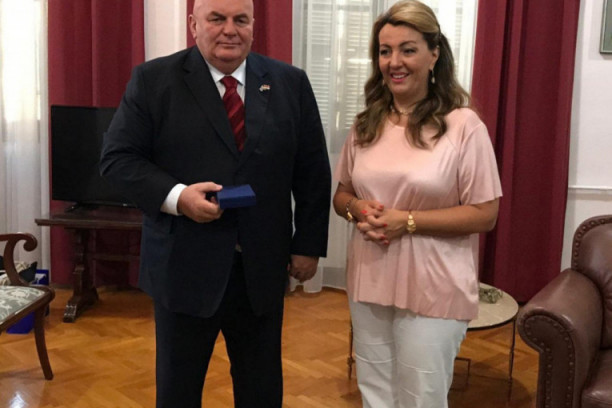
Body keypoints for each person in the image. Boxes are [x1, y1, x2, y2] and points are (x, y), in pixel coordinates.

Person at [100, 0, 331, 406]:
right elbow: (117, 160)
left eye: (240, 19)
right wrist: (178, 198)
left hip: (261, 269)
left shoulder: (289, 83)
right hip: (184, 267)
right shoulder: (154, 80)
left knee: (261, 391)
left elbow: (312, 170)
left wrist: (308, 245)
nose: (229, 29)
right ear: (194, 24)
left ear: (253, 26)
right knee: (178, 392)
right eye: (217, 18)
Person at [332, 1, 502, 407]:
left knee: (421, 398)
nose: (394, 62)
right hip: (370, 278)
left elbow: (485, 213)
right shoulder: (366, 124)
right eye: (385, 51)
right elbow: (342, 195)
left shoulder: (464, 126)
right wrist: (358, 209)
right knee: (375, 392)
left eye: (408, 49)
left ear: (434, 54)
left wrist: (406, 221)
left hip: (435, 285)